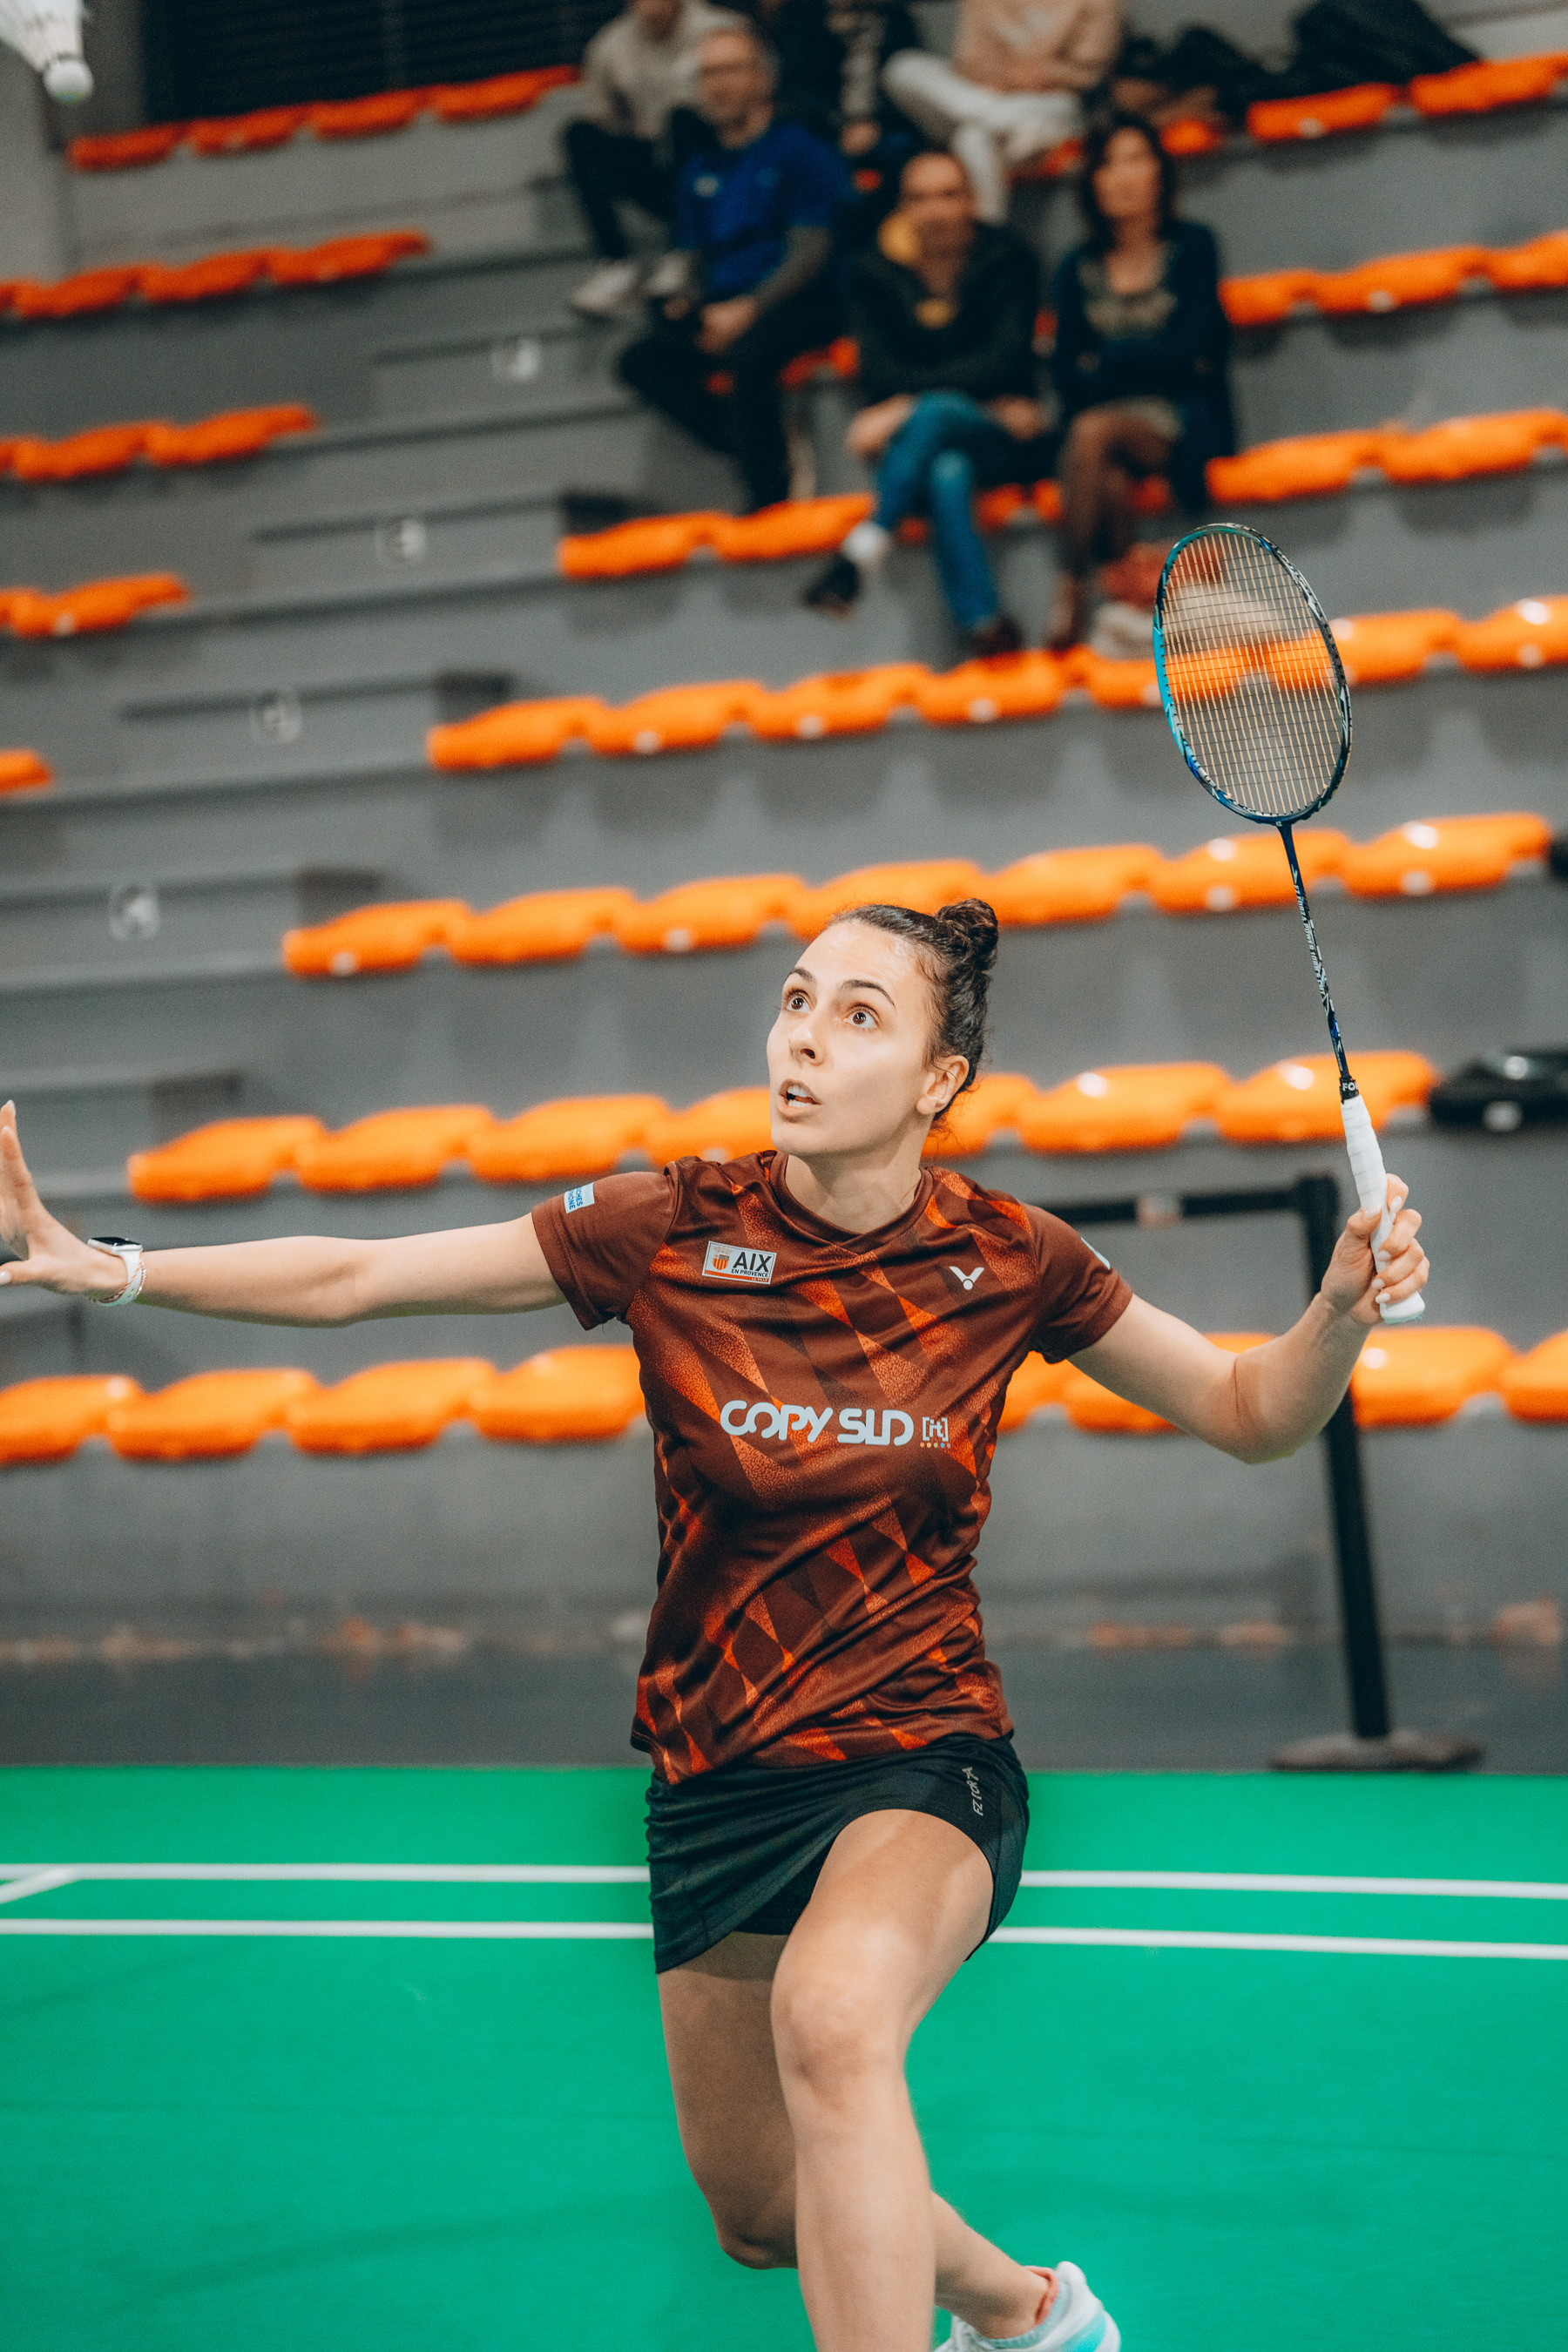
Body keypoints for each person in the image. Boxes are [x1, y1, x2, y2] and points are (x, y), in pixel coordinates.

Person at [0, 902, 1429, 2352]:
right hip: (720, 1778)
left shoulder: (1012, 1257)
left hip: (923, 1754)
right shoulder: (673, 1228)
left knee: (835, 2016)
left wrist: (1338, 1311)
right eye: (797, 1000)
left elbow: (1252, 1411)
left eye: (859, 1016)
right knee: (757, 2208)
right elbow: (362, 1276)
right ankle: (1028, 2313)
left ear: (939, 1079)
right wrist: (118, 1266)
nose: (804, 1039)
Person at [802, 148, 1052, 658]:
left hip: (1005, 440)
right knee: (946, 470)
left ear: (973, 201)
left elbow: (1004, 362)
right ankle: (985, 626)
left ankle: (869, 541)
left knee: (935, 415)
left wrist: (904, 405)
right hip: (933, 445)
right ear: (902, 207)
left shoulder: (1008, 257)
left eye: (948, 195)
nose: (935, 211)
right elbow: (879, 374)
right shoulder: (873, 272)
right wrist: (936, 398)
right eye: (920, 198)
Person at [617, 24, 851, 513]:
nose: (718, 85)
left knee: (749, 354)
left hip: (802, 298)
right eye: (707, 75)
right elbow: (693, 256)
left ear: (762, 78)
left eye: (730, 70)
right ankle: (755, 443)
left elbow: (811, 252)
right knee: (641, 360)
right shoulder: (700, 167)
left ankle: (768, 500)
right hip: (725, 303)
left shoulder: (799, 148)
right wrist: (688, 304)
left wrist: (749, 309)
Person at [1044, 111, 1233, 648]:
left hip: (1182, 419)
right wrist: (1141, 361)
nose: (1123, 176)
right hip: (1105, 430)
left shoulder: (1193, 246)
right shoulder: (1076, 267)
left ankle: (1072, 584)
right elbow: (1064, 371)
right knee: (1103, 469)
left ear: (1160, 173)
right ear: (1092, 181)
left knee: (1091, 431)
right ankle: (1134, 600)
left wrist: (1106, 364)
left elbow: (1194, 351)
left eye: (1136, 160)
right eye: (1108, 164)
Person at [564, 0, 747, 318]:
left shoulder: (719, 31)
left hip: (720, 168)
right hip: (656, 167)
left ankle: (685, 252)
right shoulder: (610, 45)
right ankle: (616, 264)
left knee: (682, 119)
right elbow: (600, 116)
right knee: (579, 134)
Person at [882, 0, 1121, 225]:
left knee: (971, 137)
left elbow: (1090, 70)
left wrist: (1044, 74)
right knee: (903, 67)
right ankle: (990, 115)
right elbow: (969, 62)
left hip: (1050, 101)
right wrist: (1005, 79)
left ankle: (988, 231)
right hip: (986, 94)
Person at [750, 0, 924, 238]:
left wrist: (876, 122)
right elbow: (795, 87)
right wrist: (841, 124)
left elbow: (912, 88)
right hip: (822, 127)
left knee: (904, 155)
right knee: (810, 158)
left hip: (885, 129)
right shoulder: (800, 16)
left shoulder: (894, 16)